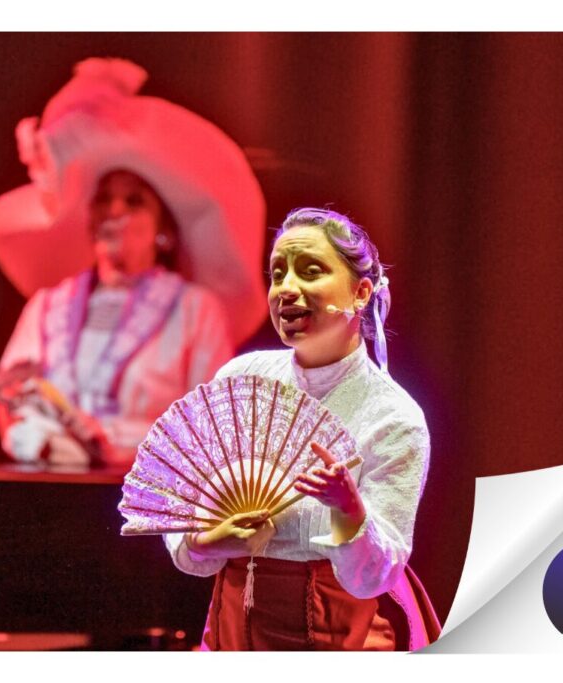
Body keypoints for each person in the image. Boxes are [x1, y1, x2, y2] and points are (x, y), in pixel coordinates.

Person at [162, 207, 439, 650]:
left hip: (340, 641)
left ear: (361, 292)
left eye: (310, 271)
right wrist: (209, 541)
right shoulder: (239, 381)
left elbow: (376, 577)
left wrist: (348, 508)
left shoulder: (393, 417)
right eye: (277, 274)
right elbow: (177, 503)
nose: (286, 289)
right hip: (237, 633)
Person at [0, 58, 267, 466]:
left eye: (133, 202)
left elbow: (213, 422)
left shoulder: (195, 312)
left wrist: (109, 442)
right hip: (43, 491)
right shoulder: (47, 308)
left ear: (162, 230)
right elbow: (10, 395)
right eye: (103, 199)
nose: (113, 211)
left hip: (147, 502)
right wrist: (41, 440)